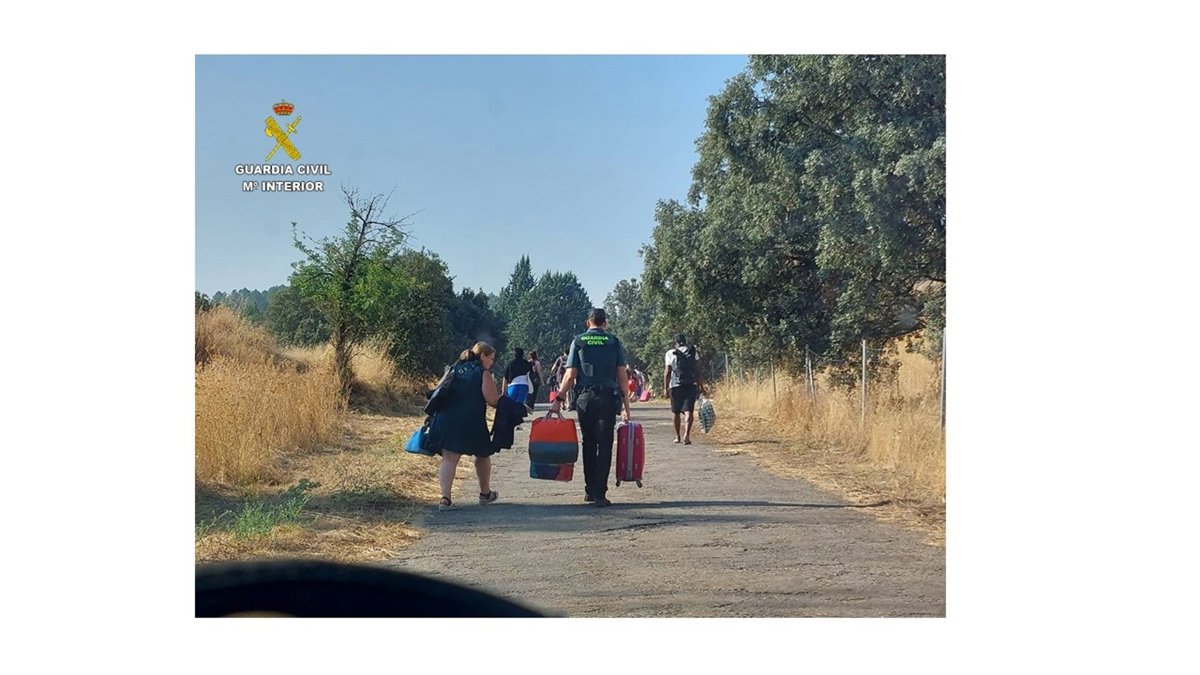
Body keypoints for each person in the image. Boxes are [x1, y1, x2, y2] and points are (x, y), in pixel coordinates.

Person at [548, 308, 631, 507]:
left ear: (588, 322)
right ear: (605, 323)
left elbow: (570, 375)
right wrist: (626, 407)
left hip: (585, 398)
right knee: (605, 444)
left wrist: (558, 399)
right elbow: (622, 376)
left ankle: (590, 490)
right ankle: (601, 494)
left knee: (589, 442)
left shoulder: (578, 341)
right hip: (607, 398)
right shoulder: (613, 342)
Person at [425, 342, 502, 511]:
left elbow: (437, 390)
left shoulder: (454, 368)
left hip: (446, 419)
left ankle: (445, 499)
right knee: (482, 455)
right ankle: (485, 494)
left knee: (449, 458)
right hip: (471, 421)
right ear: (483, 356)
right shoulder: (483, 373)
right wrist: (509, 404)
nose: (492, 363)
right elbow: (492, 400)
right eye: (491, 359)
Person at [664, 333, 707, 445]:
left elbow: (667, 372)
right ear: (685, 341)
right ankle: (687, 436)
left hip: (675, 386)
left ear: (675, 343)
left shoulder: (670, 353)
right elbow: (697, 371)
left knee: (676, 412)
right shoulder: (692, 352)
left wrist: (665, 388)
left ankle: (677, 436)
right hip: (690, 385)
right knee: (689, 411)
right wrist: (701, 387)